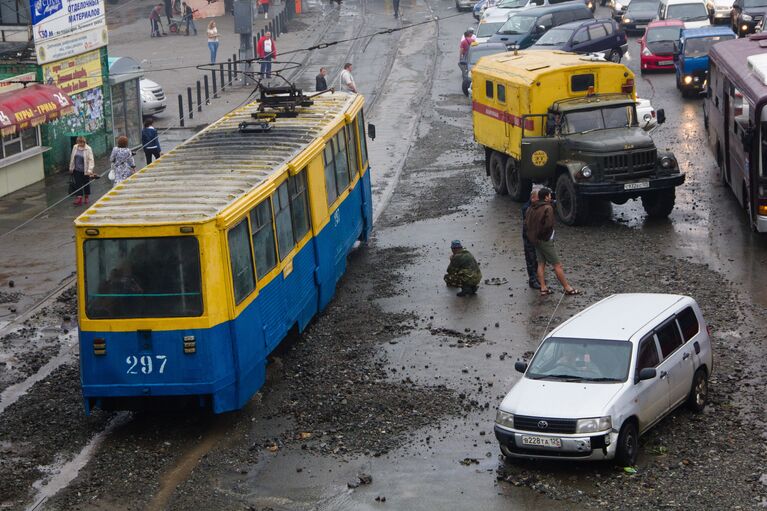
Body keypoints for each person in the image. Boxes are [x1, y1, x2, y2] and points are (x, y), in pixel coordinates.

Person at [524, 187, 580, 296]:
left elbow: (527, 223)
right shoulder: (547, 208)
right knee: (557, 265)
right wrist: (546, 236)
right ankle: (567, 288)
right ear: (545, 197)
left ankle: (543, 288)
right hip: (545, 241)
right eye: (549, 195)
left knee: (541, 263)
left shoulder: (531, 208)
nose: (551, 197)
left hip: (535, 240)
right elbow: (549, 225)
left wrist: (534, 236)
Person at [521, 190, 541, 289]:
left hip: (535, 236)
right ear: (532, 198)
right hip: (529, 236)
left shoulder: (533, 206)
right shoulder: (527, 208)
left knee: (536, 258)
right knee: (531, 259)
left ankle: (537, 277)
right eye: (538, 198)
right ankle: (532, 280)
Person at [69, 136, 96, 206]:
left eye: (81, 142)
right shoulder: (75, 147)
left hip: (85, 170)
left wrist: (90, 170)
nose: (80, 144)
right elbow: (72, 158)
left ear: (84, 142)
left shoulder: (88, 149)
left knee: (86, 183)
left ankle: (86, 196)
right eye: (78, 142)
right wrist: (71, 168)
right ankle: (79, 198)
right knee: (78, 183)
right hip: (77, 169)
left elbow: (91, 160)